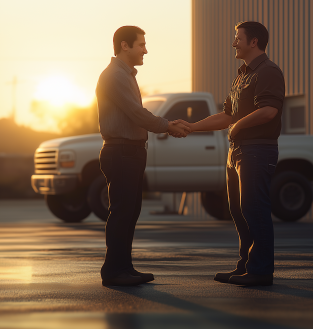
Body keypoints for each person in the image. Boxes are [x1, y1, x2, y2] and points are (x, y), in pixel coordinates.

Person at [185, 21, 285, 286]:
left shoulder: (268, 71)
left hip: (257, 150)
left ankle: (261, 271)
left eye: (237, 38)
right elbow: (227, 115)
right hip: (238, 151)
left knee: (255, 209)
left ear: (254, 42)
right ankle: (246, 266)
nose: (233, 42)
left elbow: (269, 111)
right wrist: (192, 127)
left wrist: (238, 126)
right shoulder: (241, 75)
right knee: (239, 210)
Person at [96, 25, 189, 286]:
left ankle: (124, 267)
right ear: (125, 46)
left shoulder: (125, 74)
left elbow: (137, 113)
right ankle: (113, 271)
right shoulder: (115, 75)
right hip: (121, 151)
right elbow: (137, 114)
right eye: (141, 45)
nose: (145, 50)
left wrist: (165, 124)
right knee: (122, 211)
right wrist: (167, 126)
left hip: (131, 151)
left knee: (130, 211)